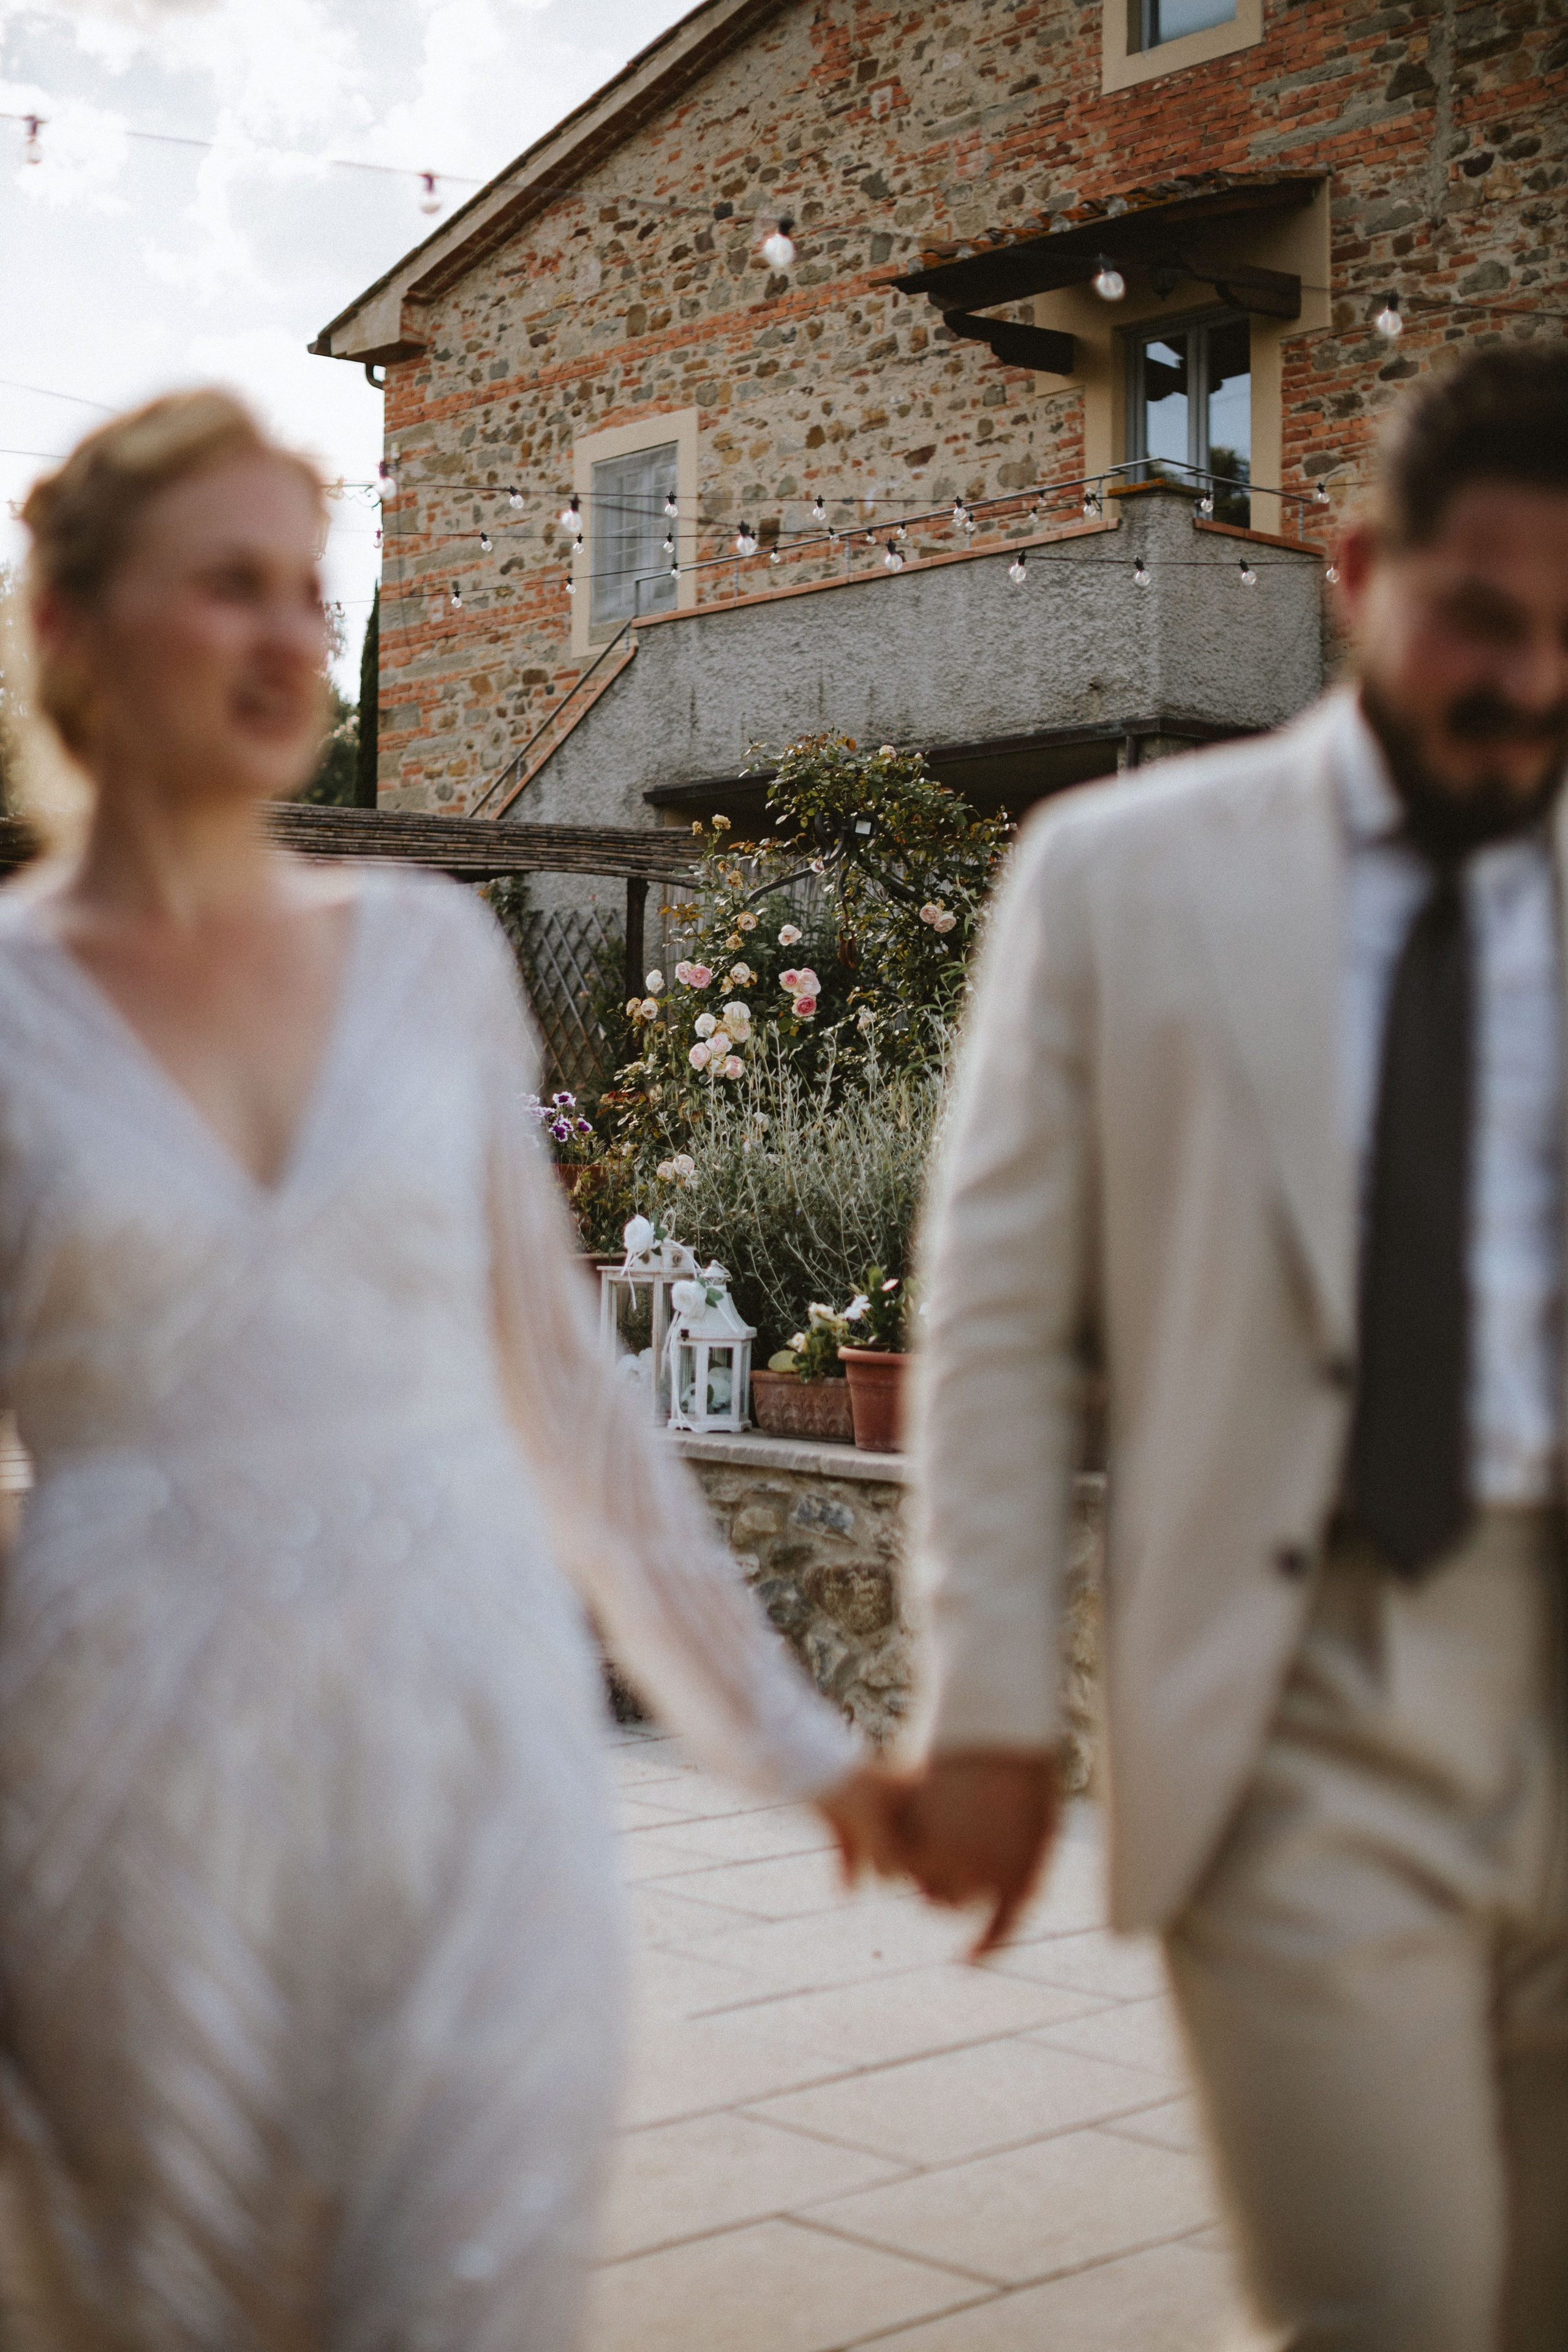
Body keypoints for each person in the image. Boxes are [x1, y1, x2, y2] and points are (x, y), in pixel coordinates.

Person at [0, 388, 895, 2351]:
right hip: (126, 1780)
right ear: (68, 625)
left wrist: (795, 1746)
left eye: (308, 596)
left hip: (472, 1743)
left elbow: (572, 1406)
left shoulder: (427, 958)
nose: (288, 640)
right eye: (227, 585)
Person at [902, 342, 1568, 2347]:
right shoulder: (1119, 875)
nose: (1533, 680)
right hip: (1305, 1694)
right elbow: (1002, 1319)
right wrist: (990, 1702)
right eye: (1485, 621)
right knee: (1387, 2306)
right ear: (1358, 577)